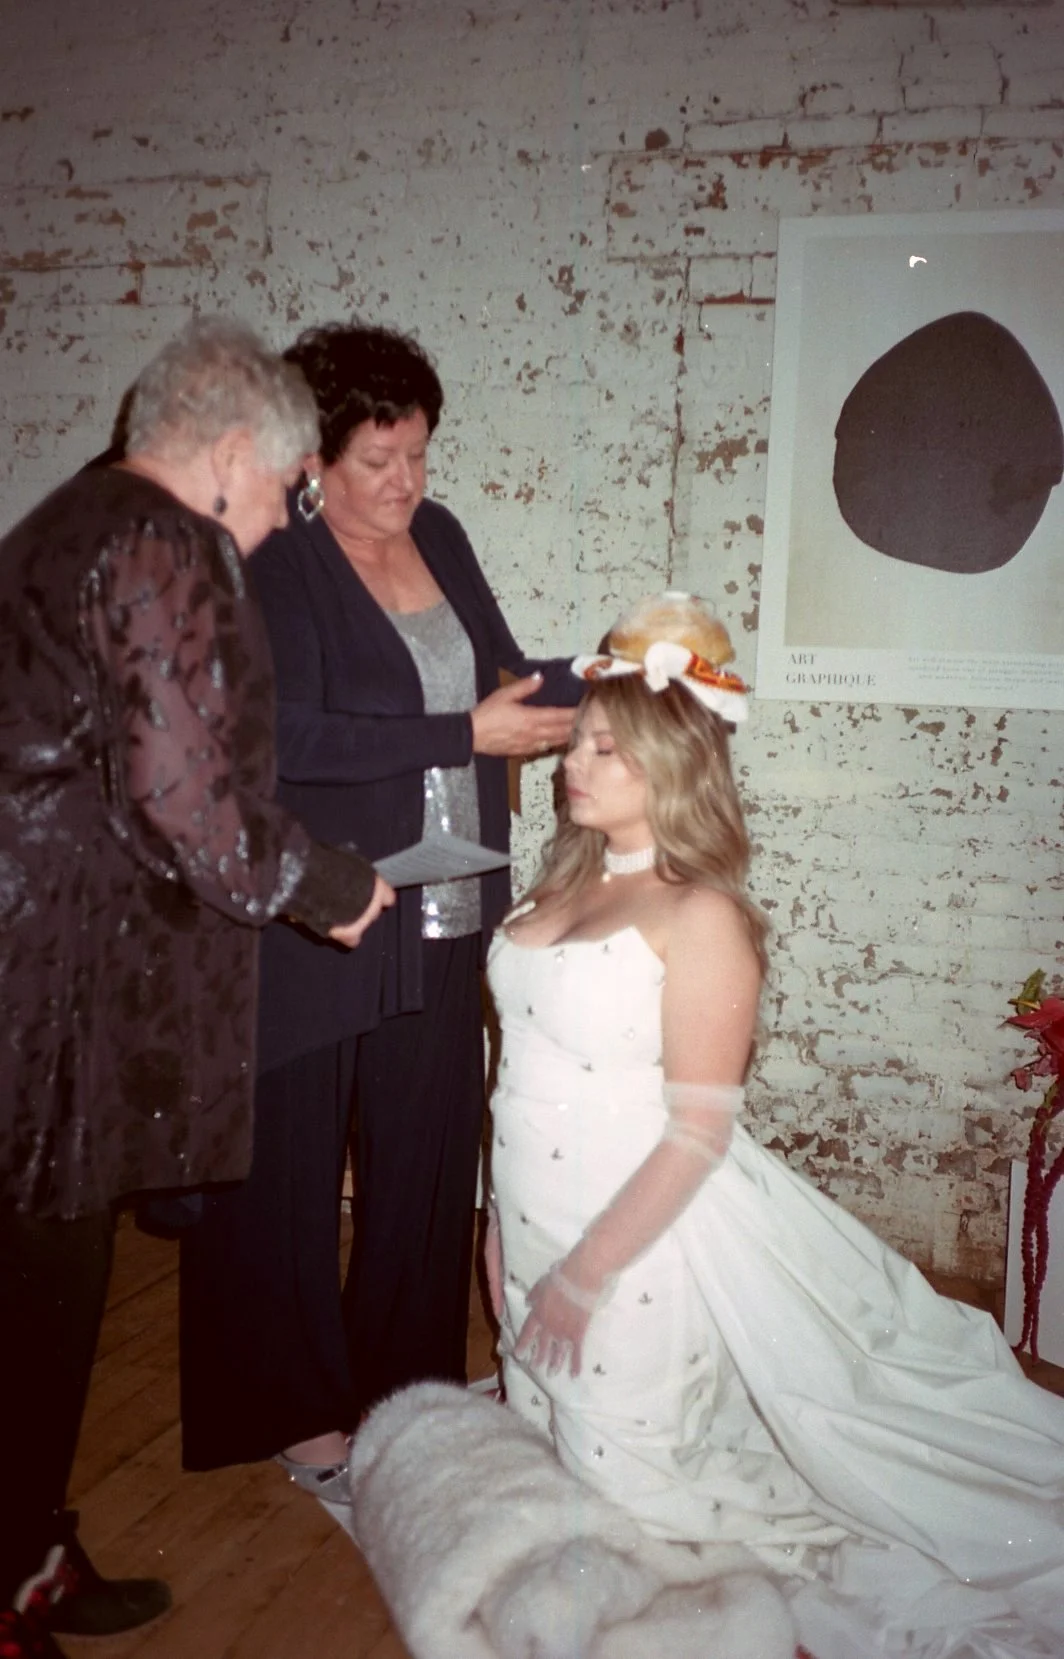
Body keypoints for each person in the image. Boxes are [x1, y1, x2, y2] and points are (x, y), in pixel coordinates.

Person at [487, 591, 1064, 1659]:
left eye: (605, 748)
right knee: (568, 1469)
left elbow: (696, 1135)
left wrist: (582, 1274)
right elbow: (516, 1086)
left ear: (669, 767)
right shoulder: (557, 888)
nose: (574, 762)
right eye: (576, 741)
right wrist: (499, 1240)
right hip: (531, 1224)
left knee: (654, 1510)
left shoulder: (699, 917)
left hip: (631, 1250)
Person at [0, 316, 392, 1659]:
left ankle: (35, 1548)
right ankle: (10, 1581)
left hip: (40, 976)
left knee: (46, 1287)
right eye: (286, 489)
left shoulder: (73, 517)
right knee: (36, 1296)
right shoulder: (167, 539)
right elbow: (190, 799)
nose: (282, 524)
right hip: (40, 995)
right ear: (231, 455)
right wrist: (328, 882)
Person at [178, 320, 579, 1493]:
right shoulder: (274, 564)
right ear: (312, 460)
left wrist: (613, 672)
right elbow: (282, 735)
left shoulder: (440, 536)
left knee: (423, 1156)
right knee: (287, 1174)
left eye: (418, 456)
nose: (406, 484)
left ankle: (403, 1389)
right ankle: (296, 1411)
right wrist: (465, 732)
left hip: (449, 902)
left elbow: (501, 679)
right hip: (323, 909)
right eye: (378, 461)